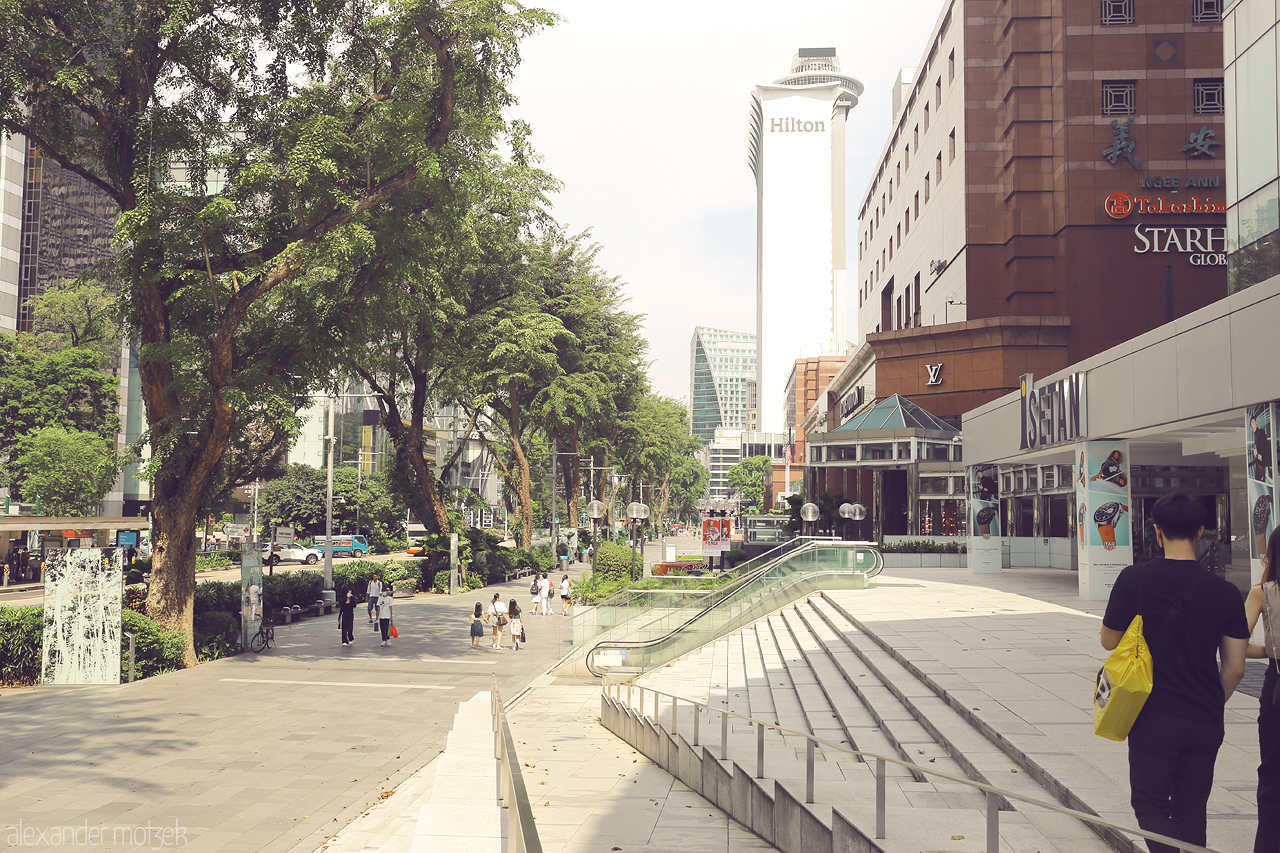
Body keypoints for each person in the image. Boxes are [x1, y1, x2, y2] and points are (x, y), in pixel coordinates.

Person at [1100, 492, 1248, 853]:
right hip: (1205, 717)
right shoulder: (1226, 592)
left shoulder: (1134, 579)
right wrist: (1211, 701)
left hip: (1152, 714)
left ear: (1156, 531)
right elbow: (1236, 667)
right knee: (1192, 809)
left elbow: (1108, 641)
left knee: (1150, 805)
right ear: (1200, 532)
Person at [1245, 528, 1280, 853]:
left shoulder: (1263, 591)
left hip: (1277, 688)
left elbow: (1236, 644)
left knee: (1273, 772)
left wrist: (1269, 650)